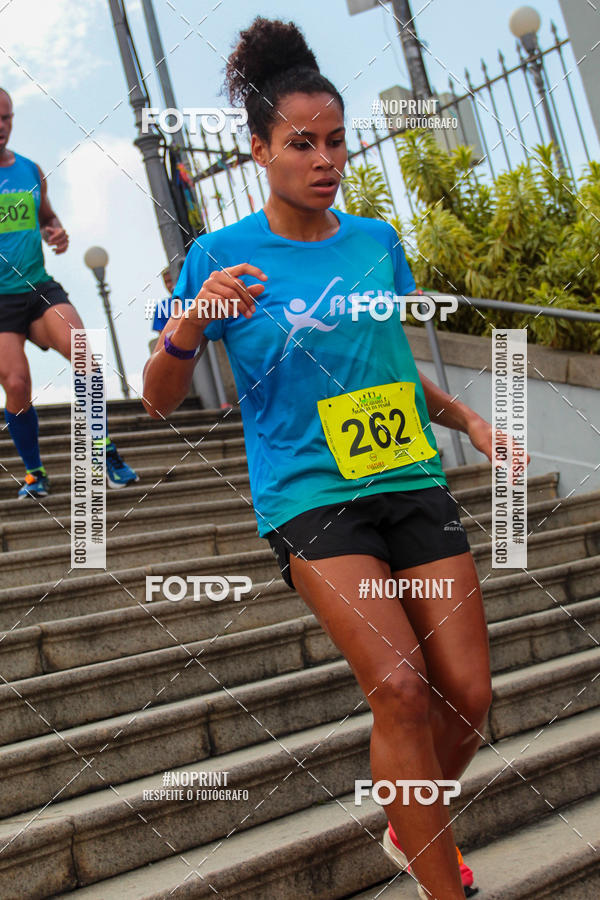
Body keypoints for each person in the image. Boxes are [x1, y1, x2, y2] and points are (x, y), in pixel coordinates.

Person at [143, 18, 523, 898]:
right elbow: (161, 401)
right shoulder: (221, 256)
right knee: (398, 687)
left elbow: (387, 364)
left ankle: (407, 822)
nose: (325, 160)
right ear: (259, 151)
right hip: (310, 494)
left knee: (465, 695)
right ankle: (444, 884)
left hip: (410, 476)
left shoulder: (375, 243)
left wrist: (467, 415)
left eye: (336, 142)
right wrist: (191, 322)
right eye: (301, 144)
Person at [0, 88, 138, 499]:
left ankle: (103, 451)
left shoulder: (30, 169)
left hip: (38, 286)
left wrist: (55, 232)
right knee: (18, 382)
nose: (0, 126)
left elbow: (47, 217)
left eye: (5, 117)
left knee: (85, 356)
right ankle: (34, 473)